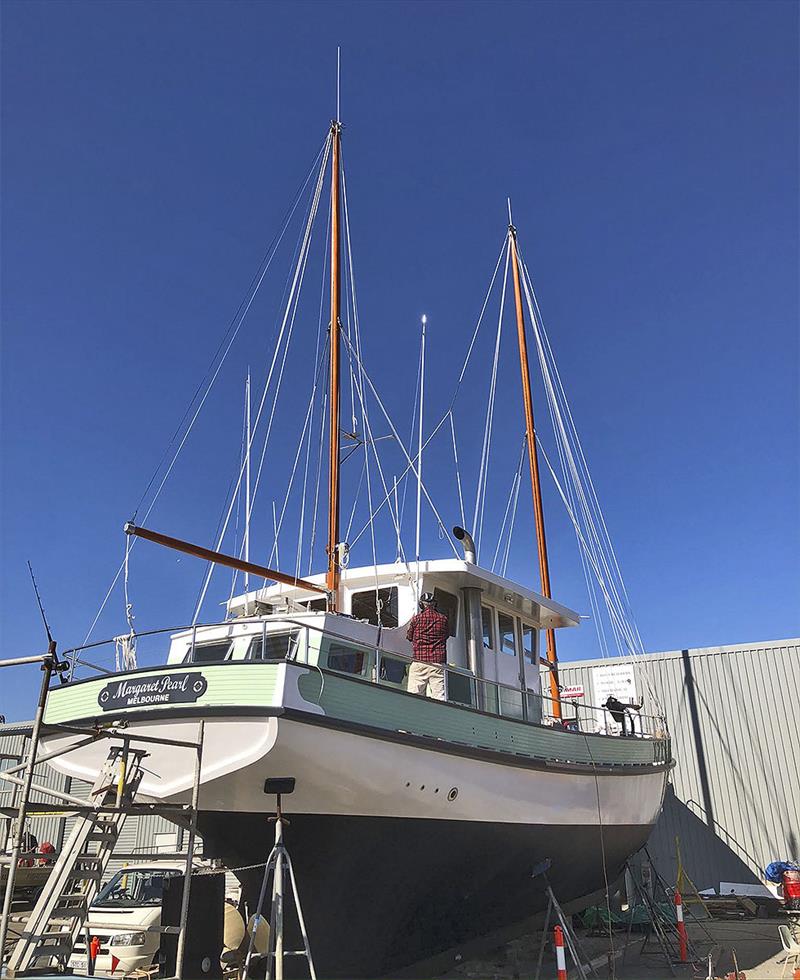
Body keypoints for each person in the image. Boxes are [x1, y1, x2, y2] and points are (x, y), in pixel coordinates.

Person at [405, 592, 449, 701]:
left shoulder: (416, 619)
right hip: (437, 662)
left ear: (421, 605)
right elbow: (446, 635)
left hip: (419, 661)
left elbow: (409, 637)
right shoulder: (443, 619)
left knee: (414, 696)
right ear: (435, 604)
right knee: (439, 697)